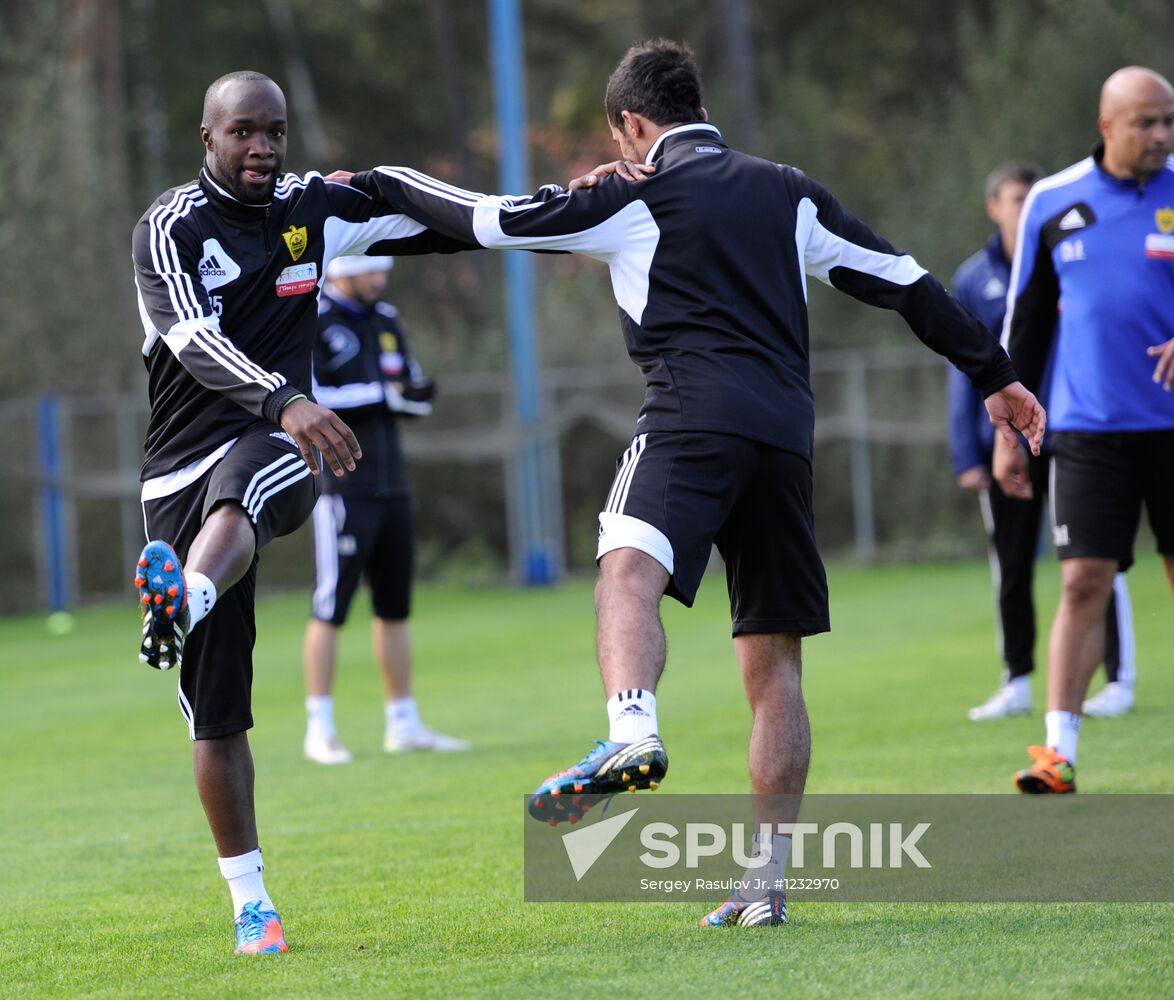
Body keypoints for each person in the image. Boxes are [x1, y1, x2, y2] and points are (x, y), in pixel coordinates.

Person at [333, 38, 1046, 927]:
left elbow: (483, 219)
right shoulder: (789, 189)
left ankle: (632, 732)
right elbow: (906, 283)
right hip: (786, 437)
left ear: (632, 124)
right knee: (774, 661)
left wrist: (374, 183)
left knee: (626, 569)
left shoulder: (633, 193)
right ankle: (767, 881)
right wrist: (997, 375)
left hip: (690, 418)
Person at [131, 71, 472, 954]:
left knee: (256, 486)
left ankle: (184, 601)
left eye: (275, 132)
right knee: (219, 717)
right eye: (243, 132)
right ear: (206, 137)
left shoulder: (306, 208)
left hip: (276, 443)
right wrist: (285, 395)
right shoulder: (168, 228)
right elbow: (191, 340)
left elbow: (414, 209)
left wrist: (538, 215)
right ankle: (252, 904)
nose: (263, 148)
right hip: (177, 473)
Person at [997, 66, 1174, 793]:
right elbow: (1026, 324)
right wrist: (1009, 432)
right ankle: (1057, 752)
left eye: (1169, 122)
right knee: (1081, 582)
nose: (1161, 136)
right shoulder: (1053, 200)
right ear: (1108, 126)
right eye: (1147, 123)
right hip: (1088, 430)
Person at [949, 162, 1136, 721]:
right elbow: (962, 372)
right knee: (1011, 564)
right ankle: (1018, 680)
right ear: (994, 206)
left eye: (1033, 195)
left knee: (1097, 561)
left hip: (1076, 432)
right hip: (1006, 439)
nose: (1025, 204)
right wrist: (969, 450)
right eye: (1014, 197)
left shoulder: (1070, 253)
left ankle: (1119, 678)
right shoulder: (972, 279)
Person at [302, 255, 468, 764]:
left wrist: (416, 396)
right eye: (371, 271)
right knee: (331, 607)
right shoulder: (315, 319)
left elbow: (406, 386)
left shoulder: (387, 318)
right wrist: (384, 396)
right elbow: (312, 396)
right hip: (342, 487)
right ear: (343, 270)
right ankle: (320, 730)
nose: (380, 280)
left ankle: (403, 723)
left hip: (392, 483)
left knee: (394, 608)